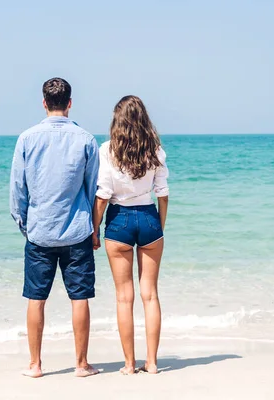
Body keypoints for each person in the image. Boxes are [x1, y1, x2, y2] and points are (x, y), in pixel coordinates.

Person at [10, 77, 100, 378]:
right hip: (76, 230)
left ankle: (35, 365)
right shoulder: (86, 140)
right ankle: (82, 363)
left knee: (36, 298)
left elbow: (17, 192)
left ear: (44, 103)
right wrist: (89, 224)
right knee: (79, 297)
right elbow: (91, 189)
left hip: (40, 231)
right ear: (70, 103)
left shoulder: (26, 138)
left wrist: (26, 224)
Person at [92, 95, 169, 375]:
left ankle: (128, 364)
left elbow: (102, 196)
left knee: (125, 297)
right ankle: (152, 363)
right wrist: (159, 226)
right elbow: (162, 194)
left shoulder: (107, 150)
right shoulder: (155, 150)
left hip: (119, 221)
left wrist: (95, 230)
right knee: (150, 295)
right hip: (149, 218)